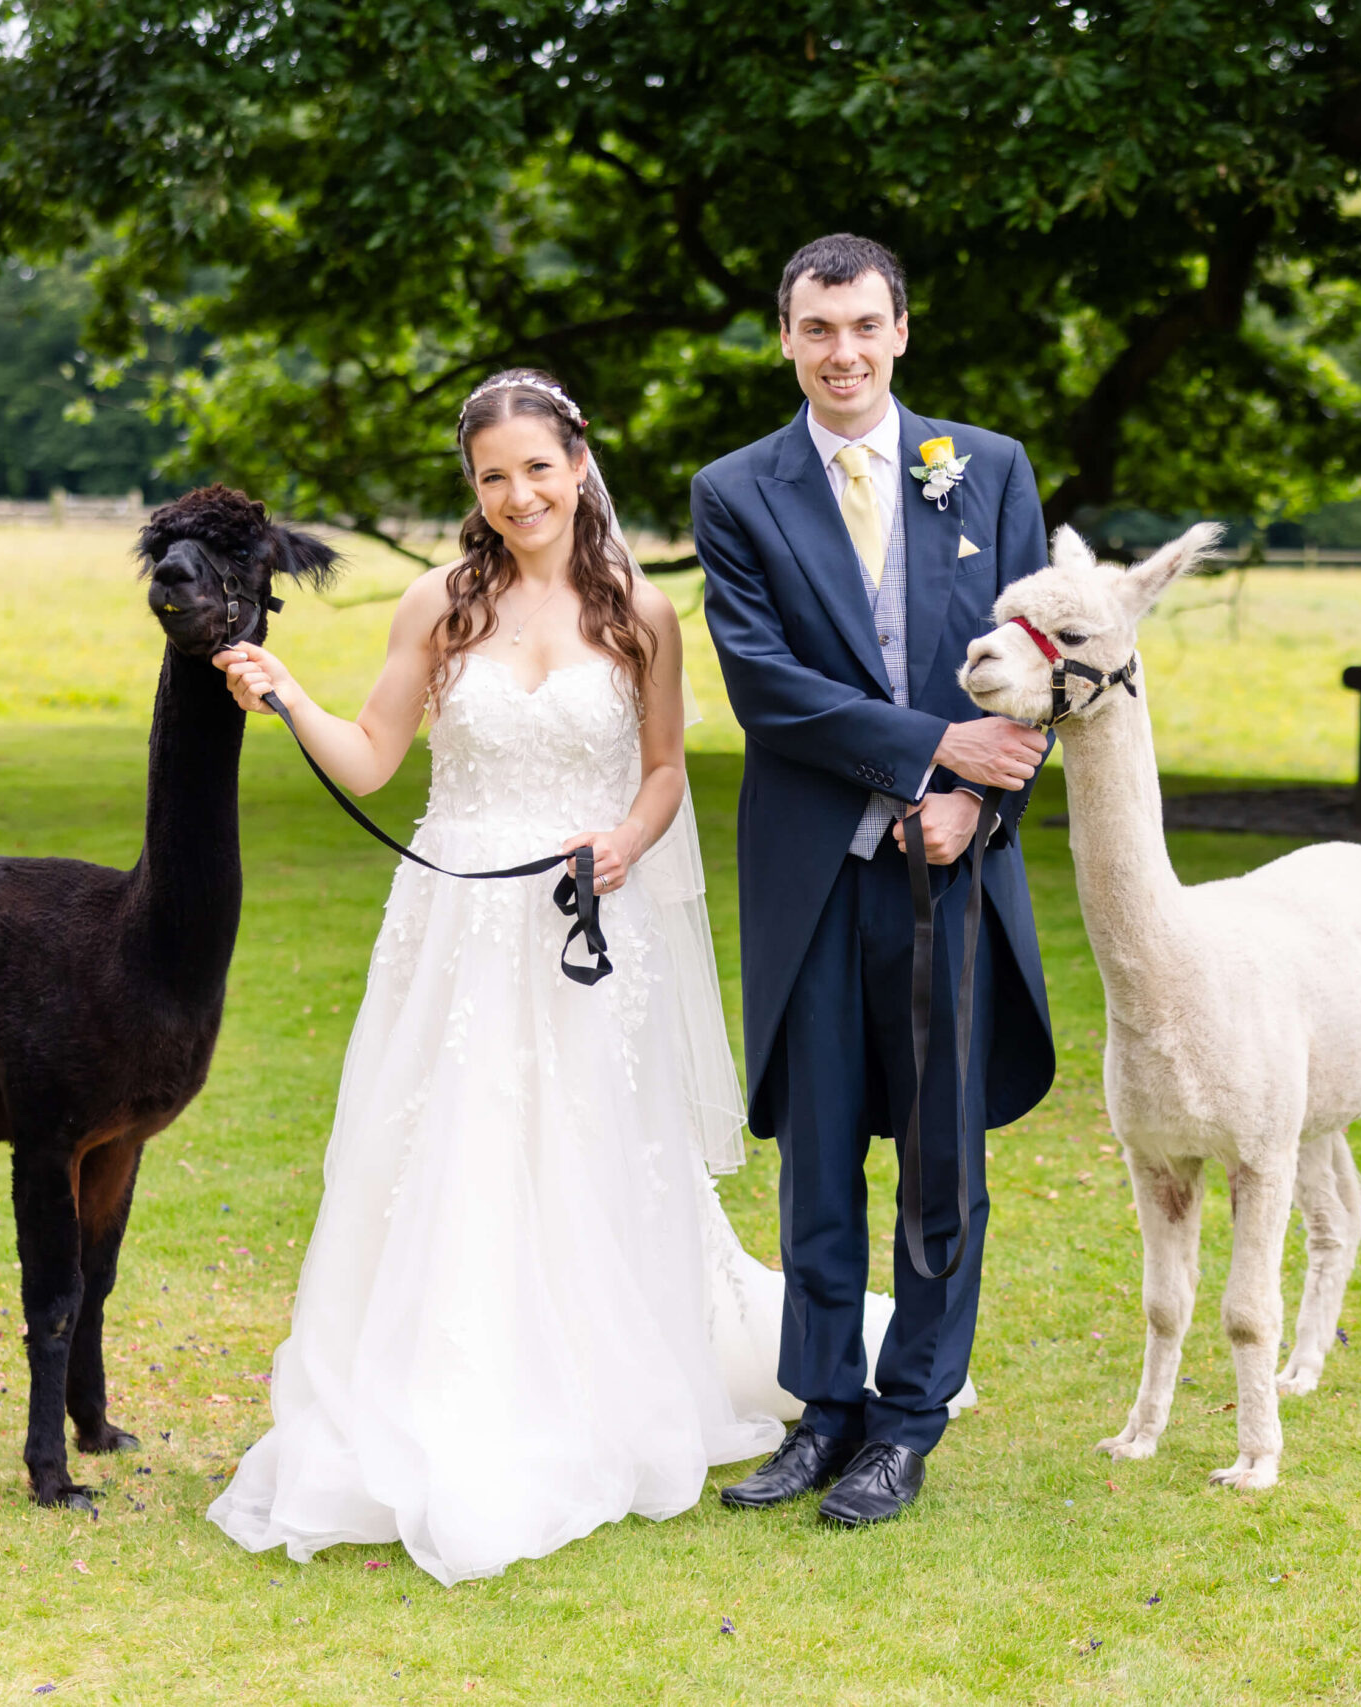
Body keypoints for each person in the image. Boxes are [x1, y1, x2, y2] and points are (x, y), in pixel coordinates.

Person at [201, 369, 955, 1585]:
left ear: (579, 462)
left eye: (536, 469)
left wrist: (625, 843)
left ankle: (606, 1371)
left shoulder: (641, 617)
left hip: (589, 925)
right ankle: (451, 1384)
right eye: (491, 477)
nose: (517, 496)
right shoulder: (435, 605)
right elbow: (373, 757)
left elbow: (662, 774)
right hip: (456, 924)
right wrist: (288, 699)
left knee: (593, 1146)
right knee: (455, 1146)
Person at [693, 235, 1057, 1527]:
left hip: (955, 871)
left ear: (900, 329)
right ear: (784, 337)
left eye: (862, 325)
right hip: (814, 867)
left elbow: (1036, 660)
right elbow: (764, 684)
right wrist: (926, 753)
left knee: (942, 1161)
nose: (840, 351)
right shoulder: (735, 491)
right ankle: (823, 1408)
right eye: (814, 327)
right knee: (819, 1154)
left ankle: (908, 1421)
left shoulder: (990, 468)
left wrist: (976, 798)